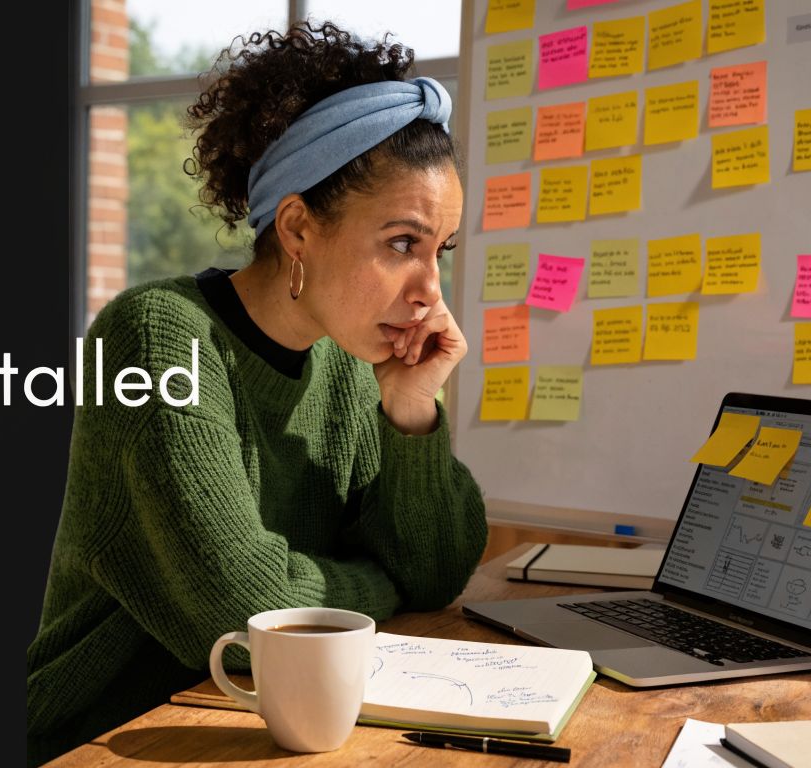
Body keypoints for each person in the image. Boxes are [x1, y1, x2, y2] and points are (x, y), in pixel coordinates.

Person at [26, 20, 487, 765]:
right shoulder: (157, 337)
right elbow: (244, 611)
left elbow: (432, 573)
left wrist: (409, 409)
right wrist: (379, 583)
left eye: (440, 250)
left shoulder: (346, 366)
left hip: (260, 732)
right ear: (300, 227)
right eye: (403, 244)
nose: (430, 290)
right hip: (101, 740)